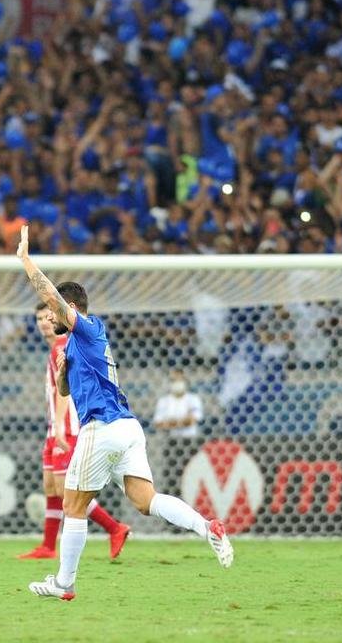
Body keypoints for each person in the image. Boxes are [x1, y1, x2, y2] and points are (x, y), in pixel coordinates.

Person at [16, 226, 232, 602]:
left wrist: (25, 260)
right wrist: (65, 368)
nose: (49, 319)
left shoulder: (87, 328)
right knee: (145, 500)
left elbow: (49, 294)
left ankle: (64, 584)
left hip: (103, 427)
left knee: (74, 506)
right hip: (128, 428)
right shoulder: (77, 345)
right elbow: (67, 390)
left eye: (54, 314)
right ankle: (207, 527)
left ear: (71, 310)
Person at [20, 302, 130, 561]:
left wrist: (58, 426)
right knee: (50, 486)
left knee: (64, 488)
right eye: (39, 319)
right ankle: (47, 546)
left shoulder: (63, 345)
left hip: (66, 426)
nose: (44, 322)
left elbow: (64, 393)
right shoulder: (54, 349)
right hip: (55, 426)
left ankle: (115, 528)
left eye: (48, 317)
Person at [152, 371, 205, 438]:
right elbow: (158, 423)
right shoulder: (163, 401)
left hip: (189, 437)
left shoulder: (194, 399)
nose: (177, 383)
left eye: (180, 380)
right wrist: (184, 421)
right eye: (174, 380)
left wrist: (170, 422)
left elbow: (193, 420)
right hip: (169, 438)